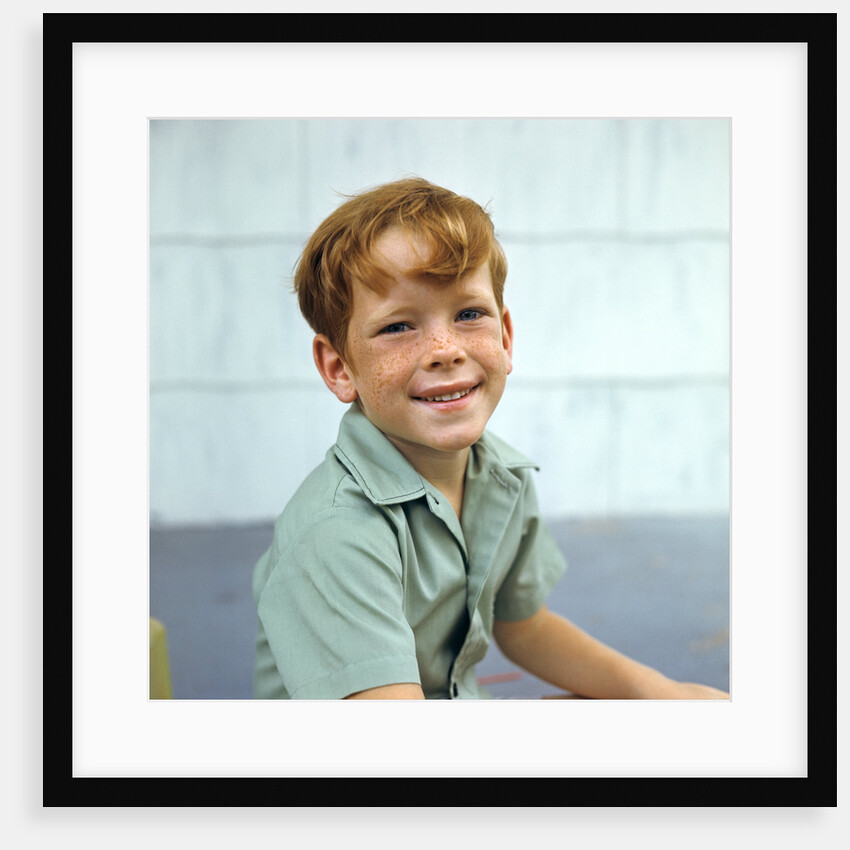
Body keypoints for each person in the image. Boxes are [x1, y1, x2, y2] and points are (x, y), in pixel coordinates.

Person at [252, 177, 729, 701]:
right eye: (397, 327)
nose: (444, 349)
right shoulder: (335, 534)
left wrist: (662, 694)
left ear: (504, 336)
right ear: (340, 368)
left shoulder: (500, 477)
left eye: (468, 314)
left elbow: (524, 625)